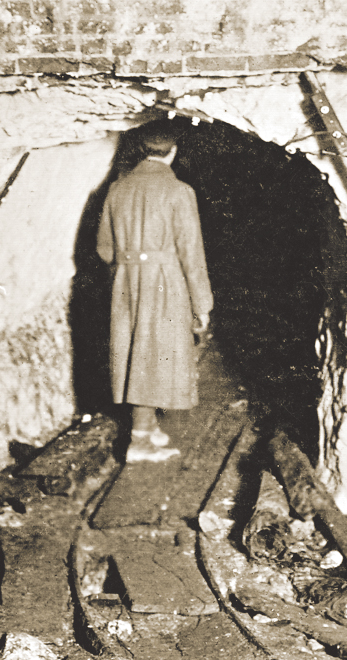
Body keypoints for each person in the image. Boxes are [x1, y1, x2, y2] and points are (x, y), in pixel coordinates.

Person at [96, 119, 214, 463]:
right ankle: (139, 441)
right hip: (165, 280)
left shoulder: (117, 189)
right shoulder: (179, 191)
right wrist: (202, 303)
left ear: (141, 151)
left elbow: (104, 249)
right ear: (173, 152)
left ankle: (147, 427)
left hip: (127, 282)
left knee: (134, 351)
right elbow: (191, 253)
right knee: (156, 353)